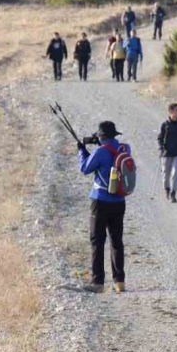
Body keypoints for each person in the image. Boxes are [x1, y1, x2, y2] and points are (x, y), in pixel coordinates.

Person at [77, 121, 131, 293]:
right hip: (119, 201)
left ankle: (98, 282)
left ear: (101, 136)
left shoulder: (100, 151)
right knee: (117, 241)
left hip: (100, 201)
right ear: (115, 135)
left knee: (97, 241)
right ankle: (119, 281)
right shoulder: (125, 149)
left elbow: (85, 168)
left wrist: (82, 151)